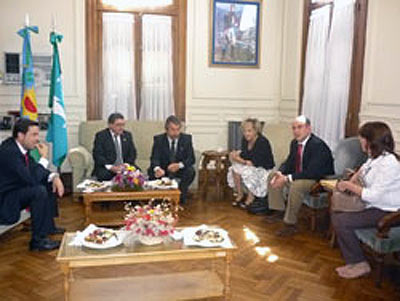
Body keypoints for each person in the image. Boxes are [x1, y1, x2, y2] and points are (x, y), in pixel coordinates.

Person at [332, 121, 400, 279]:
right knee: (337, 213)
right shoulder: (374, 158)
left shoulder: (390, 163)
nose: (359, 141)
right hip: (374, 206)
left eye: (361, 138)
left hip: (388, 211)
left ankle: (360, 263)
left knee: (341, 221)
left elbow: (374, 195)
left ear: (370, 141)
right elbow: (363, 170)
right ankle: (354, 261)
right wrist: (354, 177)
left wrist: (350, 186)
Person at [0, 118, 65, 251]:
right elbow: (30, 179)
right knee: (38, 190)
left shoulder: (21, 148)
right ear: (21, 135)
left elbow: (34, 168)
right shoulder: (9, 152)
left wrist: (54, 176)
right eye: (34, 135)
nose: (37, 139)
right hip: (5, 199)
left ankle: (48, 227)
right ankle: (38, 241)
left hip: (16, 190)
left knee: (47, 182)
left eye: (38, 134)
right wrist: (44, 159)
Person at [267, 115, 334, 236]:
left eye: (299, 127)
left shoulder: (318, 145)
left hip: (317, 180)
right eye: (293, 128)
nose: (296, 131)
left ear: (308, 129)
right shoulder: (294, 143)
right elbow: (289, 162)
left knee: (296, 185)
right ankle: (279, 211)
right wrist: (280, 173)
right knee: (272, 176)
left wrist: (287, 178)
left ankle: (290, 224)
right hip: (300, 175)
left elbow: (312, 172)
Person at [227, 118, 275, 208]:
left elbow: (255, 162)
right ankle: (240, 194)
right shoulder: (245, 140)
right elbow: (246, 155)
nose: (246, 133)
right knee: (234, 168)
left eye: (249, 131)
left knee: (248, 172)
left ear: (256, 130)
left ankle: (250, 198)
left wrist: (240, 159)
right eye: (244, 131)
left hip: (264, 168)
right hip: (252, 165)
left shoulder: (262, 142)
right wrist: (237, 155)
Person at [148, 115, 195, 205]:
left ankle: (180, 196)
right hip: (164, 168)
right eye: (173, 129)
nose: (176, 133)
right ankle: (159, 198)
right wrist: (157, 168)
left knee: (190, 171)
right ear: (166, 129)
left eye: (178, 129)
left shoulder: (186, 139)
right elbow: (154, 158)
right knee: (151, 172)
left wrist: (179, 165)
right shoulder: (159, 140)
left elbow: (191, 159)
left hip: (179, 169)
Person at [92, 113, 138, 181]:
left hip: (124, 167)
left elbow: (132, 153)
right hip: (107, 168)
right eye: (118, 125)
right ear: (110, 125)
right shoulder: (101, 136)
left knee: (137, 174)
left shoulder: (127, 135)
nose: (121, 127)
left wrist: (126, 165)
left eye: (123, 125)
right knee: (104, 176)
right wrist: (111, 167)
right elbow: (98, 155)